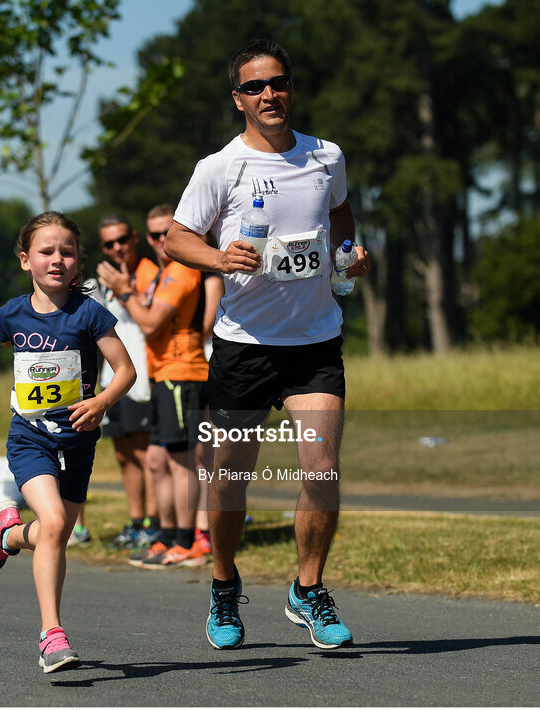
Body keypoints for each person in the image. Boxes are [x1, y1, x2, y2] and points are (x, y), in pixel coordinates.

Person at [164, 39, 370, 650]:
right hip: (243, 344)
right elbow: (177, 239)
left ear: (290, 87)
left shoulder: (324, 155)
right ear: (238, 100)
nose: (269, 95)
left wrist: (345, 261)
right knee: (227, 479)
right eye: (254, 88)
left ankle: (308, 590)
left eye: (277, 83)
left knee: (322, 468)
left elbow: (340, 211)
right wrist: (218, 256)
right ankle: (224, 584)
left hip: (314, 340)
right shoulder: (220, 168)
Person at [0, 211, 135, 675]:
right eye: (46, 251)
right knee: (57, 520)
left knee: (54, 533)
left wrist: (101, 400)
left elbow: (126, 370)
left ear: (79, 260)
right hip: (30, 437)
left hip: (79, 439)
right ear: (26, 260)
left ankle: (8, 533)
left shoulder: (90, 314)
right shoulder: (12, 314)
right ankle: (51, 635)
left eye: (67, 251)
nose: (57, 259)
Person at [98, 203, 211, 569]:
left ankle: (188, 539)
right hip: (162, 374)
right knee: (159, 460)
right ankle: (166, 535)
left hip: (183, 372)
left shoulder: (182, 270)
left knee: (182, 464)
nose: (163, 240)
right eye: (156, 235)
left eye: (169, 232)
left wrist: (122, 289)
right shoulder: (162, 272)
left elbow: (148, 324)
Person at [92, 214, 160, 550]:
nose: (117, 248)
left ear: (134, 238)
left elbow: (151, 319)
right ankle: (136, 522)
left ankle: (154, 522)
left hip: (143, 374)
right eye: (109, 243)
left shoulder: (149, 271)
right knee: (123, 454)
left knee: (146, 452)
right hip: (112, 378)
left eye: (122, 240)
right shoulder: (102, 280)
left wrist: (125, 290)